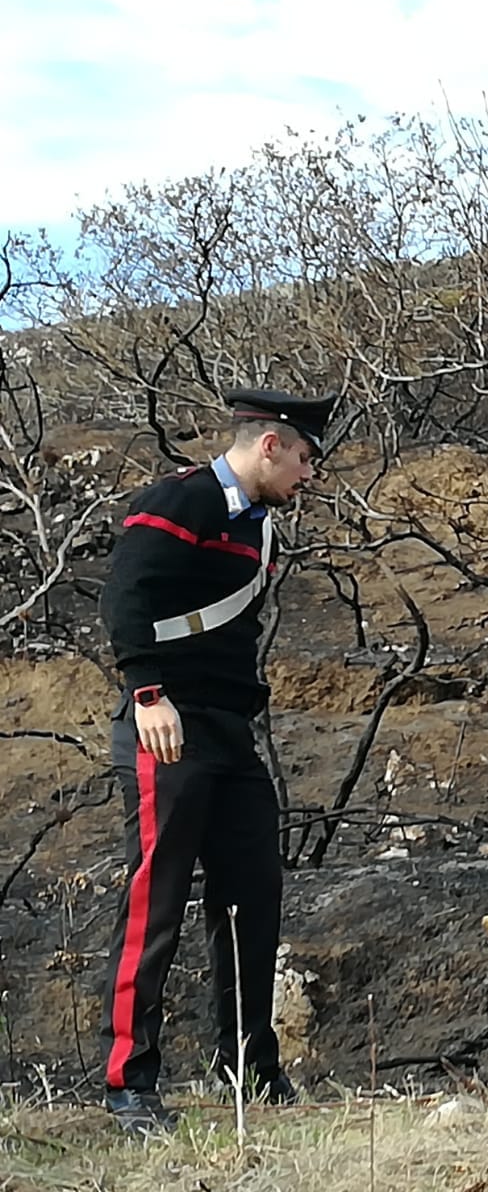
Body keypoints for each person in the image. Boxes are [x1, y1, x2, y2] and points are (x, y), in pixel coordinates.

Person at [97, 387, 335, 1133]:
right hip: (168, 723)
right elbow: (127, 597)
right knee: (155, 901)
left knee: (252, 896)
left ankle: (249, 1068)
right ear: (269, 445)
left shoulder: (259, 528)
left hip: (230, 732)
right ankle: (129, 1083)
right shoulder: (181, 499)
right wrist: (147, 693)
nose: (308, 475)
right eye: (303, 457)